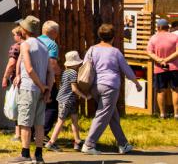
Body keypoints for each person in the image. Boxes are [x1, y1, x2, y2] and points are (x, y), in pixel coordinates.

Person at [82, 24, 143, 154]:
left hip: (94, 86)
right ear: (113, 37)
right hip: (110, 86)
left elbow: (85, 66)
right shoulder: (115, 52)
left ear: (99, 36)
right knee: (103, 115)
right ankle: (89, 144)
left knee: (112, 115)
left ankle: (123, 144)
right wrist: (137, 83)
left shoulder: (92, 49)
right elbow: (126, 69)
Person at [7, 16, 52, 164]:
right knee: (39, 123)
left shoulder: (25, 45)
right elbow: (50, 72)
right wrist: (47, 89)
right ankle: (39, 155)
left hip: (29, 87)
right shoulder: (44, 46)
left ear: (25, 30)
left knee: (25, 122)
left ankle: (25, 154)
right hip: (41, 90)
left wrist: (40, 85)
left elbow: (29, 68)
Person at [45, 51, 86, 152]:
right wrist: (84, 96)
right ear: (75, 63)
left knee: (74, 119)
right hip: (67, 100)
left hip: (67, 99)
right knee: (61, 121)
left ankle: (77, 141)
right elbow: (74, 89)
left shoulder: (65, 72)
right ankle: (51, 142)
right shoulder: (73, 73)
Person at [146, 18, 178, 119]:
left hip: (159, 68)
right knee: (175, 90)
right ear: (168, 27)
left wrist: (160, 60)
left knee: (161, 91)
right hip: (174, 68)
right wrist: (167, 59)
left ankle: (162, 114)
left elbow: (149, 52)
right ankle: (176, 114)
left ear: (158, 27)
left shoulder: (153, 38)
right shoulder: (175, 37)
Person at [1, 26, 25, 141]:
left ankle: (18, 134)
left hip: (17, 80)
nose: (14, 37)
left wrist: (5, 77)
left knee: (16, 105)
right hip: (30, 80)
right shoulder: (31, 45)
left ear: (19, 35)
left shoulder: (16, 47)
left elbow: (11, 64)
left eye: (14, 35)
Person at [38, 21, 61, 136]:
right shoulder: (52, 44)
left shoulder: (35, 41)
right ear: (54, 32)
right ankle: (42, 134)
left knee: (36, 107)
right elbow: (52, 64)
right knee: (52, 107)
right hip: (47, 80)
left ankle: (32, 134)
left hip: (33, 79)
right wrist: (60, 72)